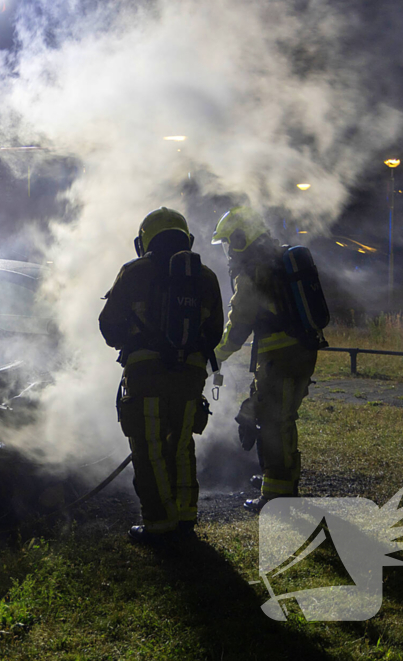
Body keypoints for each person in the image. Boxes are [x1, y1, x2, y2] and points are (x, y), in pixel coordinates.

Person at [99, 208, 224, 543]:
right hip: (190, 377)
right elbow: (214, 332)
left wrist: (133, 342)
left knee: (149, 447)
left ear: (145, 240)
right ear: (186, 238)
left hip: (146, 374)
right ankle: (184, 517)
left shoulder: (134, 271)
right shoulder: (207, 277)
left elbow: (108, 325)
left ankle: (158, 524)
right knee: (181, 444)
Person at [210, 206, 325, 512]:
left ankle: (277, 497)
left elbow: (239, 326)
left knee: (274, 423)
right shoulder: (275, 261)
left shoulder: (253, 272)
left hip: (282, 358)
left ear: (241, 239)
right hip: (295, 353)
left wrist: (215, 357)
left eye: (229, 243)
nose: (228, 252)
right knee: (278, 418)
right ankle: (279, 481)